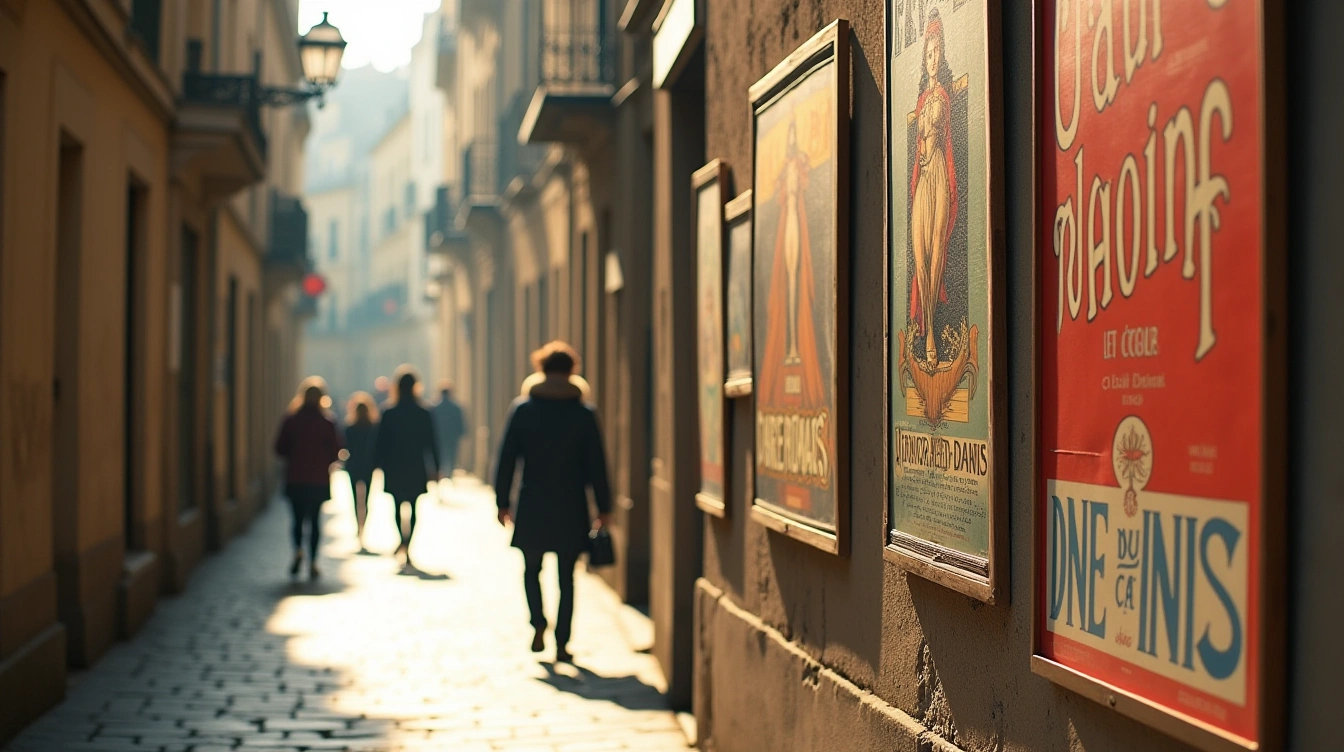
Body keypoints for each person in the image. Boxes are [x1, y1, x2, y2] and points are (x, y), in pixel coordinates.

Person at [495, 341, 612, 663]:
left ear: (541, 369)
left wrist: (502, 502)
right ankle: (562, 642)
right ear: (572, 371)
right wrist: (604, 507)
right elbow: (597, 465)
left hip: (532, 502)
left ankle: (538, 623)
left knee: (531, 569)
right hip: (570, 505)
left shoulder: (524, 409)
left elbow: (507, 459)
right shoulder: (584, 413)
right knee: (566, 578)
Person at [909, 8, 959, 366]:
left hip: (939, 170)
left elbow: (946, 135)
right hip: (922, 176)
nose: (932, 58)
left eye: (937, 52)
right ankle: (926, 326)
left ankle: (930, 335)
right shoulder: (920, 101)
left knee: (937, 249)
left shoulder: (943, 94)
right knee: (919, 257)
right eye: (928, 53)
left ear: (942, 57)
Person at [274, 376, 343, 580]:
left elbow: (279, 448)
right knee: (314, 521)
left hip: (296, 477)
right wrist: (323, 461)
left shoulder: (291, 420)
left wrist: (295, 455)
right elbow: (337, 451)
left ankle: (297, 550)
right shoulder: (327, 422)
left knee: (297, 520)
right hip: (318, 479)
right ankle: (313, 561)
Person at [373, 365, 440, 570]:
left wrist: (377, 465)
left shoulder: (389, 412)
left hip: (395, 465)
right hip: (415, 465)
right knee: (413, 506)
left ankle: (402, 541)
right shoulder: (423, 412)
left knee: (396, 505)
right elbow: (431, 442)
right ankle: (407, 544)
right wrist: (436, 467)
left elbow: (380, 442)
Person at [343, 391, 379, 553]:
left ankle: (359, 526)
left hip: (353, 467)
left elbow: (345, 448)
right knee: (366, 500)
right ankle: (363, 527)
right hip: (368, 467)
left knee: (355, 500)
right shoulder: (373, 428)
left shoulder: (350, 428)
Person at [431, 380, 467, 486]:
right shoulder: (456, 407)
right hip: (452, 437)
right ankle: (449, 475)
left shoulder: (435, 408)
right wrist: (462, 433)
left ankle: (442, 475)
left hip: (439, 437)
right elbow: (460, 422)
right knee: (451, 456)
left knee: (441, 456)